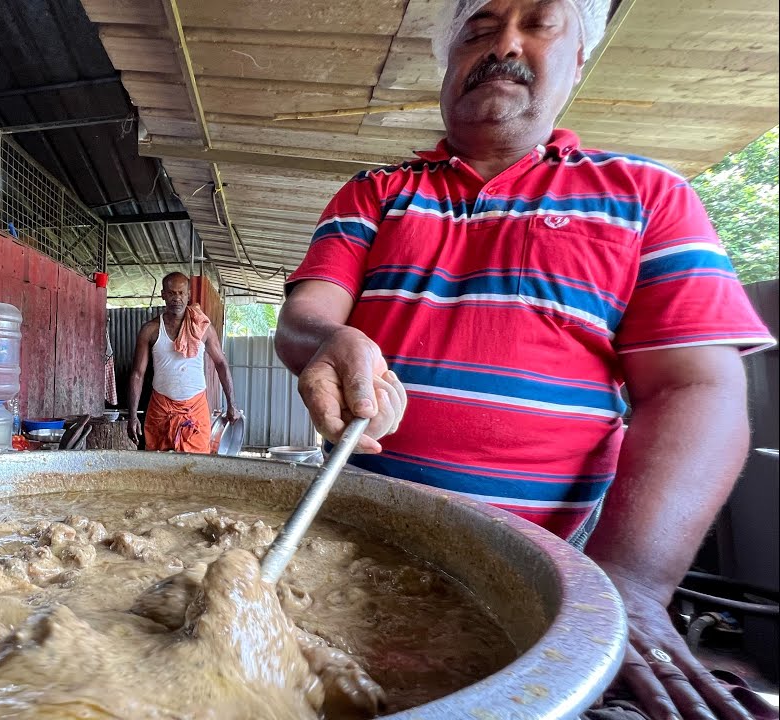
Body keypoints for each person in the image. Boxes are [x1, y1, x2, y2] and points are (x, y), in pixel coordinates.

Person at [276, 0, 776, 718]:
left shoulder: (645, 197)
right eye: (479, 29)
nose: (505, 44)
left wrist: (630, 584)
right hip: (350, 550)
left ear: (578, 59)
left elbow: (696, 389)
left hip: (543, 575)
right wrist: (328, 341)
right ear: (448, 62)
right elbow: (305, 319)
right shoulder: (374, 193)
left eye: (538, 24)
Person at [127, 272, 242, 453]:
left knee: (197, 463)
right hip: (161, 409)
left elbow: (221, 363)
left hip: (195, 409)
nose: (177, 298)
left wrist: (231, 404)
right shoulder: (150, 330)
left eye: (181, 293)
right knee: (157, 463)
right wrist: (132, 416)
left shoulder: (202, 328)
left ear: (189, 295)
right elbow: (137, 374)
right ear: (163, 295)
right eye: (171, 293)